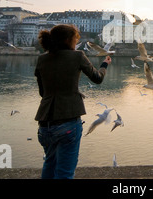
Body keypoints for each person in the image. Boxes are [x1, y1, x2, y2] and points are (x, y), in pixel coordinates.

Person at [34, 24, 111, 179]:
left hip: (45, 124)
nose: (76, 43)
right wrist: (104, 65)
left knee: (49, 165)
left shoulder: (42, 59)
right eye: (76, 39)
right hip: (68, 122)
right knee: (65, 173)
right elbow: (97, 78)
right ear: (69, 40)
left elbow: (43, 93)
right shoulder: (77, 56)